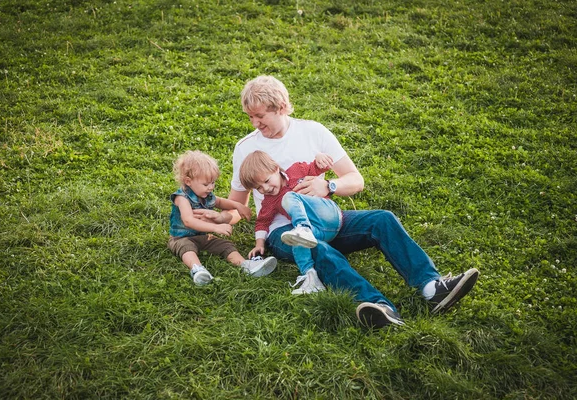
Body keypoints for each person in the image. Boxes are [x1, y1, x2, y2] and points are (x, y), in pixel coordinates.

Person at [212, 75, 479, 329]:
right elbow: (240, 205)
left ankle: (432, 288)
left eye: (260, 116)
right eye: (250, 117)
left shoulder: (313, 132)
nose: (255, 123)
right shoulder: (245, 148)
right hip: (284, 232)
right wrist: (221, 219)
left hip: (327, 220)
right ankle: (378, 306)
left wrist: (328, 186)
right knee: (317, 248)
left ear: (281, 107)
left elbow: (355, 179)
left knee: (382, 219)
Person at [239, 150, 342, 295]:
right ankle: (311, 279)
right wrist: (259, 244)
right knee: (297, 240)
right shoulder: (269, 201)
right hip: (319, 231)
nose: (266, 188)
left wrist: (320, 158)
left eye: (267, 181)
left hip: (328, 214)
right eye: (259, 188)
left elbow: (319, 168)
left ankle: (303, 227)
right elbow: (262, 222)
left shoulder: (296, 170)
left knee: (288, 198)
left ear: (275, 169)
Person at [168, 150, 277, 285]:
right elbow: (188, 220)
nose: (210, 188)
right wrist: (215, 227)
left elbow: (219, 202)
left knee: (225, 245)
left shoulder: (206, 194)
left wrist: (238, 205)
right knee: (187, 248)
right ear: (188, 181)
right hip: (181, 238)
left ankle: (246, 265)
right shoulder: (181, 198)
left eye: (213, 183)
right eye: (206, 184)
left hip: (202, 237)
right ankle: (197, 269)